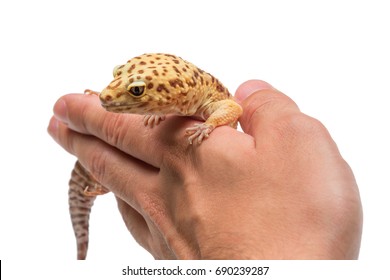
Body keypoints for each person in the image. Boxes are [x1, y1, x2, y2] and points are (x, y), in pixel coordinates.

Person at [48, 80, 363, 259]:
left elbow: (231, 109)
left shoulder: (206, 100)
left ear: (178, 96)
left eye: (138, 93)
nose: (107, 95)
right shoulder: (175, 101)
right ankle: (83, 235)